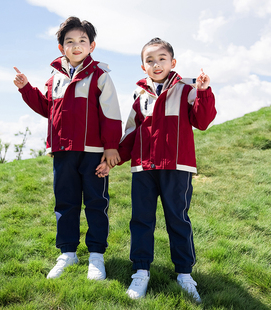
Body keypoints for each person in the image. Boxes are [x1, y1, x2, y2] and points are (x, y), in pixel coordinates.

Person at [13, 16, 122, 281]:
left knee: (96, 203)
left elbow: (111, 115)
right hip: (63, 152)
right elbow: (48, 110)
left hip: (93, 152)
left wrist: (110, 149)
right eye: (70, 41)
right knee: (66, 203)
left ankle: (96, 255)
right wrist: (26, 89)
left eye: (82, 41)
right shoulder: (54, 77)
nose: (76, 46)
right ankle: (68, 253)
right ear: (61, 47)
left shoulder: (100, 76)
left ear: (91, 46)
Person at [118, 37, 216, 302]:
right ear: (143, 67)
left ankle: (184, 274)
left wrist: (204, 91)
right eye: (149, 60)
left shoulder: (187, 89)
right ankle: (140, 272)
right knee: (141, 221)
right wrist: (113, 158)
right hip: (143, 168)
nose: (156, 64)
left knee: (178, 220)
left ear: (172, 63)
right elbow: (130, 132)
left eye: (161, 59)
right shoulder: (139, 96)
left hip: (177, 167)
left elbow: (203, 120)